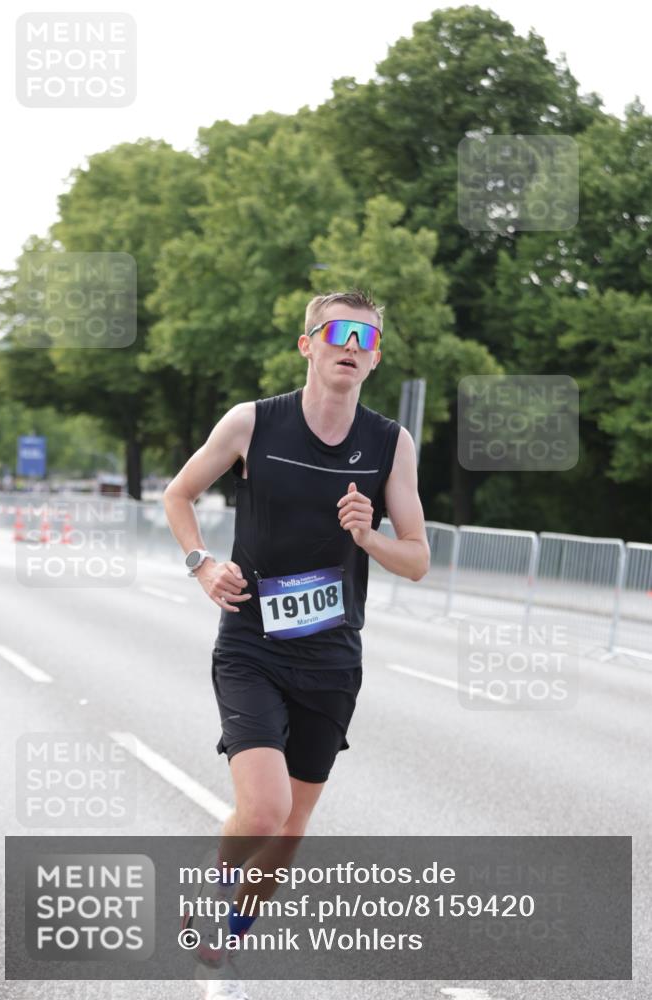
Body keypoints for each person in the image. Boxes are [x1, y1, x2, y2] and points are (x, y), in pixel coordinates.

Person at [164, 289, 430, 998]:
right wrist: (201, 565)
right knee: (264, 810)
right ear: (308, 343)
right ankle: (211, 911)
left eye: (366, 338)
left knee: (290, 830)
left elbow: (417, 557)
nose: (352, 344)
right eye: (338, 332)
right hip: (252, 642)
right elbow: (178, 494)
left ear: (374, 359)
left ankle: (230, 933)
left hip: (333, 655)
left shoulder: (388, 444)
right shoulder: (253, 423)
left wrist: (367, 535)